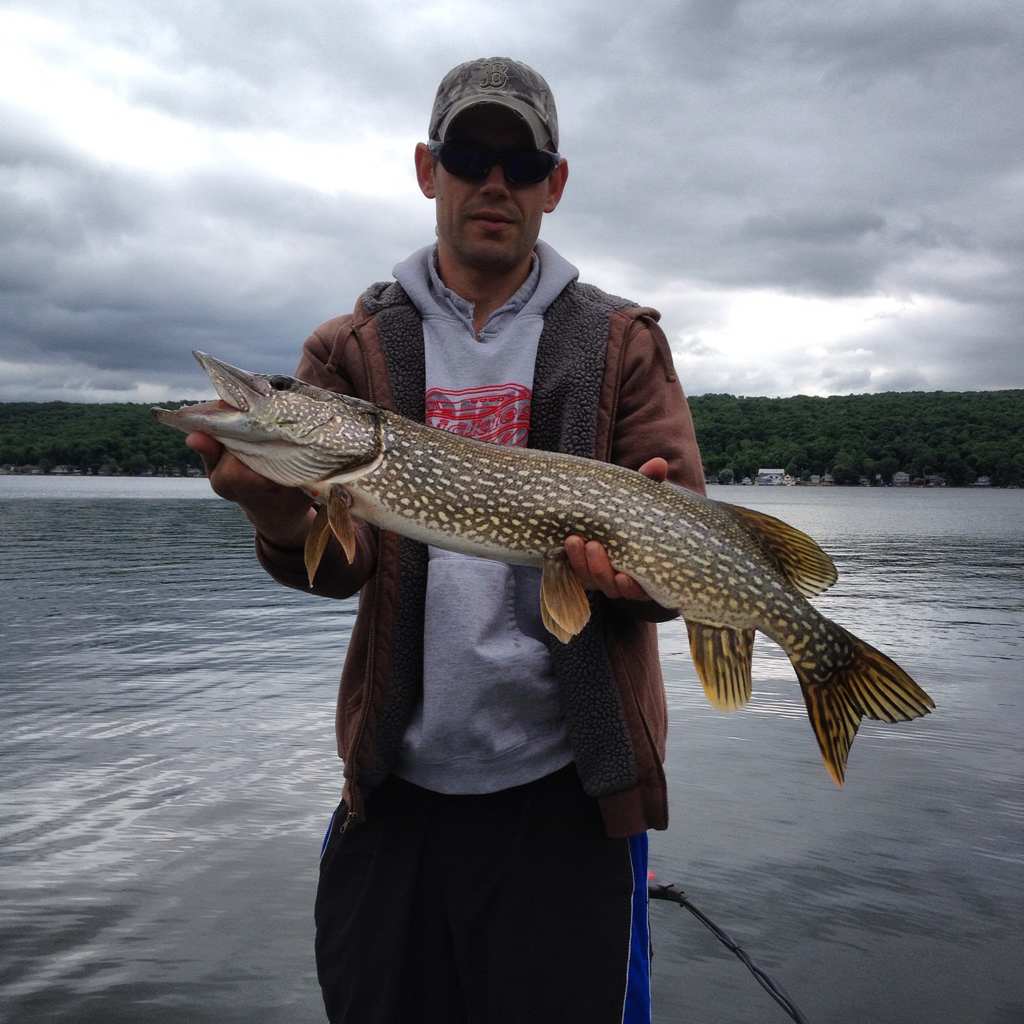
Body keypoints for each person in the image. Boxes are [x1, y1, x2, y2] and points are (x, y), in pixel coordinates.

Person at [188, 57, 704, 1024]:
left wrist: (632, 578)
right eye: (472, 155)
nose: (494, 182)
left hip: (569, 797)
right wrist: (271, 508)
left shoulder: (624, 340)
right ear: (430, 169)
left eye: (521, 161)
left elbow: (674, 570)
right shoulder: (349, 351)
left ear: (555, 182)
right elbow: (340, 567)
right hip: (399, 787)